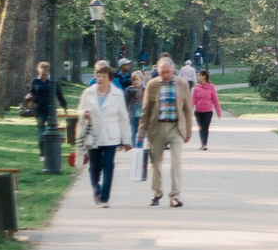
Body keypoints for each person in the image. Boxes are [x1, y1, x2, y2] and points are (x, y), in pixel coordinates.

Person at [76, 60, 131, 207]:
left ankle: (104, 198)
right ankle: (96, 189)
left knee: (108, 165)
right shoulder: (88, 92)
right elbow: (80, 109)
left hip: (111, 135)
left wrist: (127, 140)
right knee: (94, 166)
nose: (100, 78)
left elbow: (123, 117)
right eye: (98, 75)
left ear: (110, 79)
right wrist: (84, 113)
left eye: (104, 76)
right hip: (93, 135)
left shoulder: (117, 94)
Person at [142, 53, 191, 206]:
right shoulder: (152, 85)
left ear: (173, 70)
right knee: (156, 162)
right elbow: (146, 110)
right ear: (157, 71)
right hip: (157, 127)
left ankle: (175, 196)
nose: (165, 75)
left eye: (168, 72)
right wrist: (141, 132)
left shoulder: (182, 84)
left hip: (176, 127)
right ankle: (156, 194)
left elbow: (188, 110)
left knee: (176, 161)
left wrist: (188, 131)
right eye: (162, 72)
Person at [27, 60, 62, 175]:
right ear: (39, 72)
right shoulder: (35, 81)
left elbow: (59, 94)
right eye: (43, 74)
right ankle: (42, 154)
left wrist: (64, 106)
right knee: (41, 133)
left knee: (51, 132)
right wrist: (29, 96)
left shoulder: (53, 81)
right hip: (39, 110)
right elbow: (32, 91)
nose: (44, 76)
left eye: (46, 74)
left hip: (50, 110)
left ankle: (51, 154)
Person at [190, 67, 220, 149]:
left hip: (208, 111)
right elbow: (193, 100)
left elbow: (215, 100)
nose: (198, 77)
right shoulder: (196, 88)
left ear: (204, 76)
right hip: (198, 111)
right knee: (200, 127)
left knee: (205, 127)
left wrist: (218, 112)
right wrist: (189, 111)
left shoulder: (211, 87)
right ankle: (202, 143)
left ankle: (204, 144)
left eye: (199, 76)